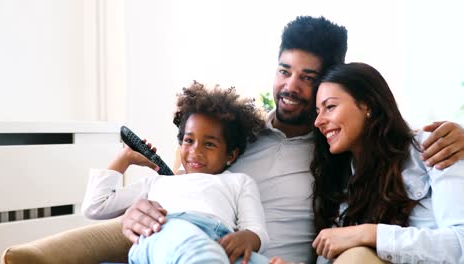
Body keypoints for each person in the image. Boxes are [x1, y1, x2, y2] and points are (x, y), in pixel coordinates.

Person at [119, 16, 464, 263]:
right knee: (73, 248)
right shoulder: (238, 136)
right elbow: (188, 180)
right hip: (196, 235)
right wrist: (141, 210)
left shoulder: (337, 152)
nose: (290, 87)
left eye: (307, 78)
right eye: (284, 71)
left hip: (263, 255)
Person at [82, 81, 270, 264]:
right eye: (189, 141)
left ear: (231, 154)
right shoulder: (157, 183)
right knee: (197, 252)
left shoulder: (240, 182)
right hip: (167, 231)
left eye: (209, 144)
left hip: (221, 241)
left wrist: (247, 238)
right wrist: (125, 158)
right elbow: (96, 205)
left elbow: (256, 229)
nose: (196, 151)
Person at [305, 62, 464, 263]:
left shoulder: (434, 146)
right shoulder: (343, 181)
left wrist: (367, 234)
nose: (318, 121)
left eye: (330, 107)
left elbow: (461, 244)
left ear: (367, 105)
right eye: (318, 111)